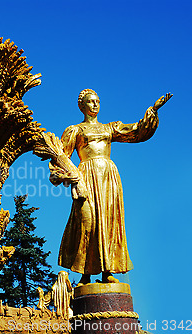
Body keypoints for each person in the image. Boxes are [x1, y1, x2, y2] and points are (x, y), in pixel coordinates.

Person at [58, 89, 172, 285]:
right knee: (88, 222)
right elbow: (61, 157)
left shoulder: (109, 128)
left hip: (109, 177)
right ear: (82, 106)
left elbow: (135, 132)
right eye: (91, 102)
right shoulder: (75, 130)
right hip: (87, 177)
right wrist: (73, 178)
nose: (95, 104)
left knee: (110, 222)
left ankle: (107, 270)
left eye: (97, 101)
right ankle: (85, 273)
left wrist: (152, 111)